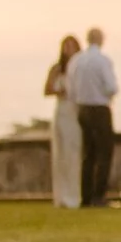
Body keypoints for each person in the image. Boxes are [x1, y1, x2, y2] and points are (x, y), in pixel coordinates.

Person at [67, 27, 120, 206]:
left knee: (88, 154)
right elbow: (111, 87)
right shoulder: (102, 61)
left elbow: (70, 89)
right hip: (99, 108)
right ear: (100, 40)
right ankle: (99, 196)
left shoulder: (76, 61)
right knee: (104, 153)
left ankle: (86, 197)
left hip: (82, 108)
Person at [43, 36, 84, 210]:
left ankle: (75, 194)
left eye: (72, 46)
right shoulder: (57, 68)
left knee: (74, 153)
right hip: (62, 112)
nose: (69, 50)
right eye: (66, 46)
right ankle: (62, 196)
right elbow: (47, 89)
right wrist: (60, 90)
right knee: (61, 154)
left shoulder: (81, 68)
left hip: (75, 112)